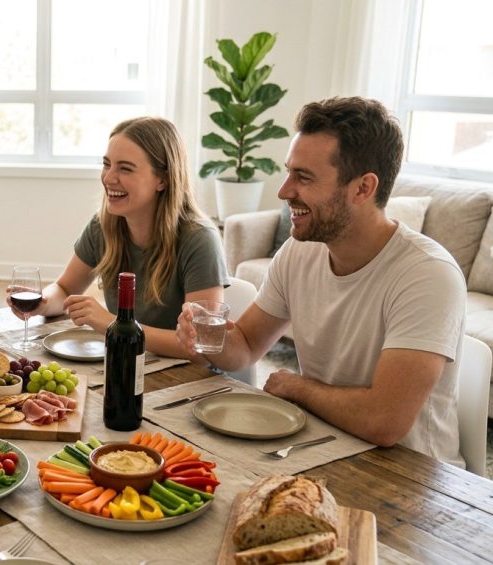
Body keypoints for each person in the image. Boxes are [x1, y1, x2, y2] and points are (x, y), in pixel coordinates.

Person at [176, 97, 467, 466]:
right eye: (289, 172)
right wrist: (207, 338)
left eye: (304, 177)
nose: (283, 191)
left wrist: (298, 388)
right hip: (324, 448)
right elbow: (247, 344)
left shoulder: (428, 275)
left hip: (411, 477)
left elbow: (384, 421)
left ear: (363, 189)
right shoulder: (301, 253)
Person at [12, 117, 227, 357]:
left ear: (162, 180)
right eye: (107, 164)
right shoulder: (104, 225)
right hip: (127, 361)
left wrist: (111, 323)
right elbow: (64, 288)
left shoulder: (199, 239)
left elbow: (199, 346)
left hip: (186, 377)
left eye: (125, 168)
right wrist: (43, 301)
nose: (109, 178)